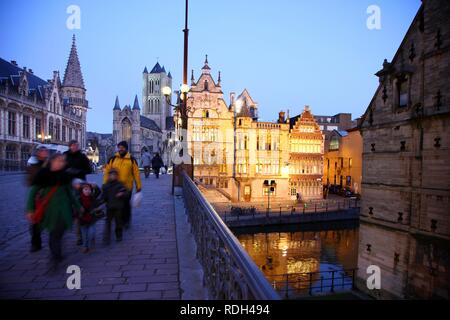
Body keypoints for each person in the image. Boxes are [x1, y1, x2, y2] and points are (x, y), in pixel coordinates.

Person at [26, 153, 82, 264]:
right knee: (54, 233)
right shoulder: (43, 175)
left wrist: (78, 206)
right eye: (60, 160)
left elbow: (70, 194)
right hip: (50, 211)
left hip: (64, 210)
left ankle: (56, 255)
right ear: (52, 161)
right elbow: (33, 192)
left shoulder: (65, 176)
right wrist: (30, 209)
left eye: (63, 161)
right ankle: (56, 256)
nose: (62, 163)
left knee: (59, 233)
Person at [102, 141, 141, 228]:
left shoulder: (131, 159)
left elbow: (136, 174)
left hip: (127, 187)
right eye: (119, 147)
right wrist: (105, 184)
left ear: (126, 148)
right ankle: (118, 221)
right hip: (114, 187)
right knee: (117, 205)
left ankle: (126, 221)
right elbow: (107, 172)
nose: (121, 149)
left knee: (126, 205)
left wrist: (138, 186)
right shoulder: (112, 159)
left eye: (122, 147)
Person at [26, 146, 49, 252]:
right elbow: (29, 181)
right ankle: (36, 243)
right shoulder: (33, 165)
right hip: (38, 195)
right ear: (38, 153)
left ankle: (54, 242)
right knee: (36, 220)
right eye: (42, 151)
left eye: (45, 151)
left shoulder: (50, 164)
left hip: (49, 194)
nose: (44, 153)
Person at [102, 169, 128, 243]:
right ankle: (106, 238)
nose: (112, 176)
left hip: (118, 207)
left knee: (118, 222)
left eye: (114, 175)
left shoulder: (120, 184)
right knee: (108, 223)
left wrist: (122, 194)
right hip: (109, 207)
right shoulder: (105, 186)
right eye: (111, 175)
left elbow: (126, 193)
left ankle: (119, 235)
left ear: (117, 176)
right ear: (109, 176)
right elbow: (103, 196)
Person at [77, 183, 102, 253]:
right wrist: (79, 211)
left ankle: (91, 240)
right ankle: (85, 247)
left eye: (89, 189)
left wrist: (96, 186)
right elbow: (75, 208)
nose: (87, 191)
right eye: (85, 189)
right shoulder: (79, 199)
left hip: (91, 219)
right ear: (82, 190)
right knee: (84, 235)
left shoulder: (92, 197)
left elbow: (98, 192)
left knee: (91, 233)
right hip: (83, 220)